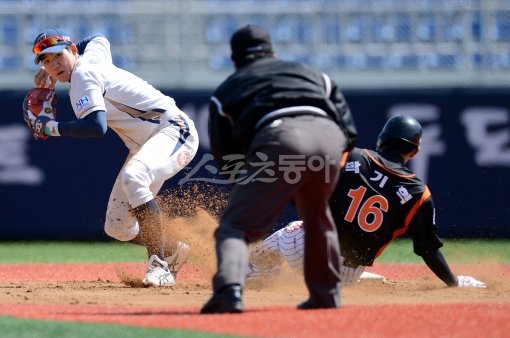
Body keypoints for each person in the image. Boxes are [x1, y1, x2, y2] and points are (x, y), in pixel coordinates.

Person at [200, 25, 358, 313]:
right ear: (274, 52)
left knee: (235, 227)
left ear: (235, 59)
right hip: (329, 139)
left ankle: (229, 292)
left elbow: (226, 156)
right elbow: (349, 131)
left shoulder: (227, 89)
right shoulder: (313, 74)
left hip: (280, 139)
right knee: (317, 219)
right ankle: (327, 296)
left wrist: (252, 189)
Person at [24, 28, 200, 287]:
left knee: (135, 176)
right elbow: (98, 38)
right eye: (47, 61)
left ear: (72, 51)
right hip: (147, 143)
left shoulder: (83, 76)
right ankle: (174, 249)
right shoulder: (92, 56)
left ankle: (159, 266)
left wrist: (51, 127)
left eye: (58, 55)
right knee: (117, 227)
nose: (54, 64)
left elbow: (96, 127)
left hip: (174, 130)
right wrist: (66, 53)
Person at [247, 115, 486, 289]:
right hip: (347, 275)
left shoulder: (351, 156)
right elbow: (429, 251)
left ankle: (252, 272)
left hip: (306, 248)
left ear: (381, 140)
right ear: (414, 151)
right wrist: (453, 282)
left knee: (290, 232)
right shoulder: (418, 193)